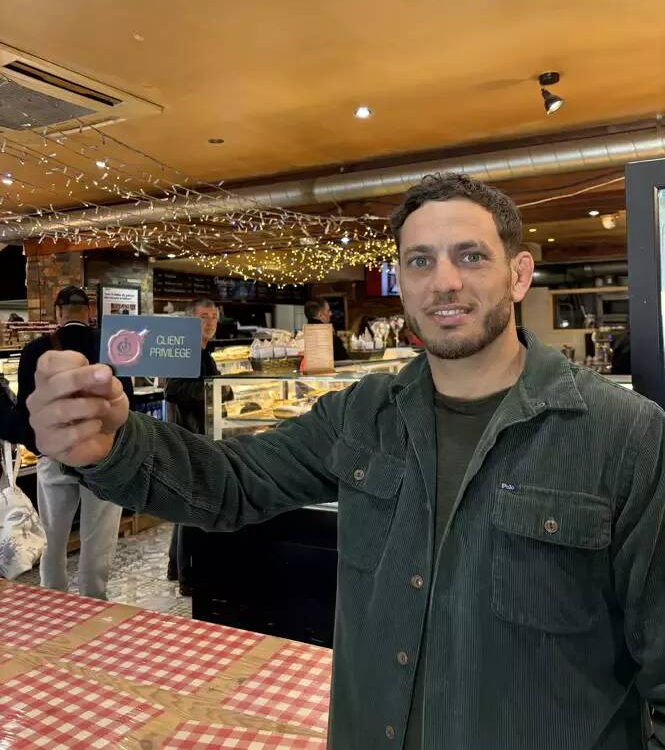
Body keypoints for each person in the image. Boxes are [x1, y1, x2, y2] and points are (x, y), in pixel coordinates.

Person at [26, 174, 665, 750]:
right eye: (420, 261)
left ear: (519, 275)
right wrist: (112, 445)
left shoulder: (627, 436)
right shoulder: (362, 414)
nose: (444, 281)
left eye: (471, 256)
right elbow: (232, 484)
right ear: (402, 283)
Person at [6, 285, 133, 600]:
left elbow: (26, 410)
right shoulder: (111, 346)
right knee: (98, 538)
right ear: (89, 311)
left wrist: (38, 447)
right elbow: (127, 402)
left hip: (56, 453)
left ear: (58, 312)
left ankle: (54, 599)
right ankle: (93, 599)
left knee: (52, 534)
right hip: (103, 456)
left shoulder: (35, 350)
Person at [164, 297, 232, 594]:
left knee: (186, 506)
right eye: (204, 316)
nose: (210, 322)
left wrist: (220, 390)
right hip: (189, 437)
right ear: (191, 320)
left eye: (213, 317)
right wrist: (217, 388)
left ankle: (175, 567)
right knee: (192, 507)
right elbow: (173, 389)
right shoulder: (188, 351)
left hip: (199, 434)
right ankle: (188, 577)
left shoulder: (205, 353)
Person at [304, 297, 349, 361]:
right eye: (328, 311)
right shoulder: (330, 338)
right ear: (320, 315)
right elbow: (344, 361)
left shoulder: (301, 337)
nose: (331, 313)